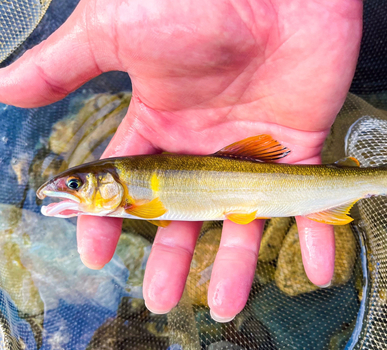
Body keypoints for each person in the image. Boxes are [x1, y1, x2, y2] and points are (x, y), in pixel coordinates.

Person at [0, 0, 363, 322]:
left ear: (111, 185)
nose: (66, 188)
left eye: (76, 184)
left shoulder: (133, 200)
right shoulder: (129, 197)